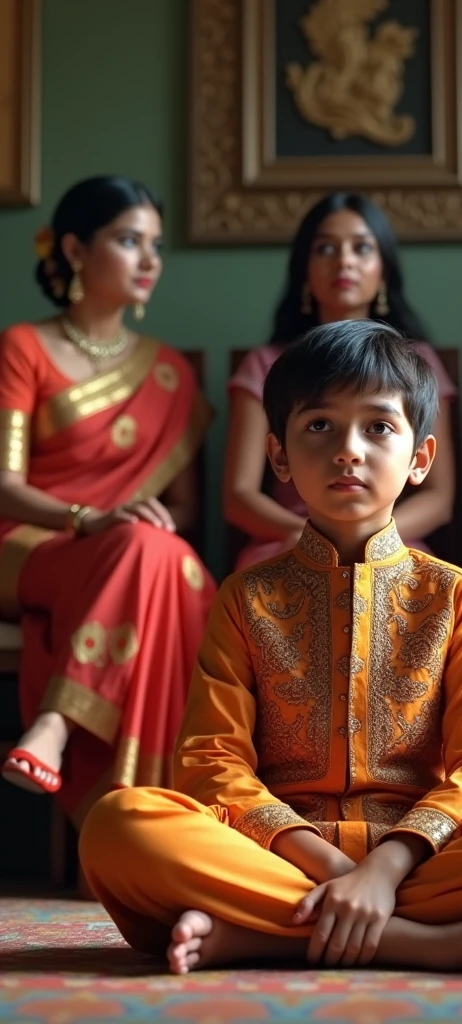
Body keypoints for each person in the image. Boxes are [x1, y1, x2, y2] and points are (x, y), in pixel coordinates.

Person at [80, 321, 462, 978]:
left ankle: (261, 935)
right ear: (279, 459)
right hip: (276, 852)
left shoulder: (456, 597)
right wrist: (345, 875)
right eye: (320, 427)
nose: (348, 451)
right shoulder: (246, 598)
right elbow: (210, 765)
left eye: (377, 428)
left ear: (420, 458)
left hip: (424, 855)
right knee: (120, 825)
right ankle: (427, 942)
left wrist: (387, 867)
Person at [0, 175, 216, 830]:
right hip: (30, 543)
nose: (150, 260)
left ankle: (57, 728)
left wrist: (143, 521)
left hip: (130, 551)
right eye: (128, 241)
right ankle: (166, 813)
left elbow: (183, 505)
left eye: (154, 245)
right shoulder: (25, 348)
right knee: (155, 557)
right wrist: (87, 519)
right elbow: (4, 484)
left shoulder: (171, 372)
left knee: (161, 552)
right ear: (73, 249)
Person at [224, 192, 456, 570]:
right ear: (304, 269)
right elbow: (239, 495)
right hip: (292, 538)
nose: (344, 260)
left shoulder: (417, 364)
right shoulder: (266, 364)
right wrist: (317, 538)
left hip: (393, 539)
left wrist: (369, 540)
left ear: (383, 269)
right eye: (325, 249)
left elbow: (439, 496)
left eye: (361, 248)